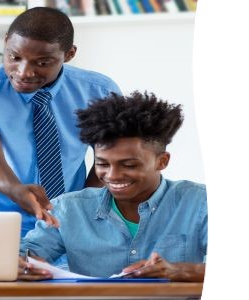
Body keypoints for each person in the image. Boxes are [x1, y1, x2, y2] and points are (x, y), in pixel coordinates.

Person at [0, 7, 121, 235]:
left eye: (42, 63)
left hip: (64, 224)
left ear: (69, 54)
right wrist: (17, 190)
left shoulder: (99, 92)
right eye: (14, 57)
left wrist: (84, 206)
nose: (24, 72)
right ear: (6, 41)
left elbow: (113, 158)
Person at [18, 91, 206, 282]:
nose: (112, 176)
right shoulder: (68, 209)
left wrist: (181, 270)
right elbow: (26, 253)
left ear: (162, 161)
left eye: (129, 165)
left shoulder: (200, 202)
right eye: (102, 164)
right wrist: (22, 264)